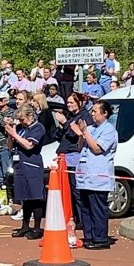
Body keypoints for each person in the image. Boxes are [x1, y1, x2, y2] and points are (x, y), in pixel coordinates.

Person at [71, 100, 118, 249]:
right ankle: (89, 236)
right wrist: (81, 135)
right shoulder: (90, 128)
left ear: (104, 113)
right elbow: (80, 147)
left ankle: (100, 238)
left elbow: (97, 148)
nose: (92, 114)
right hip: (85, 175)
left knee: (97, 208)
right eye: (91, 111)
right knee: (85, 207)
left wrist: (84, 132)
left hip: (98, 175)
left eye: (95, 111)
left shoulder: (109, 130)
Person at [5, 105, 47, 240]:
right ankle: (25, 226)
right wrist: (11, 134)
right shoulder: (22, 129)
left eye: (23, 119)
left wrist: (14, 134)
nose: (21, 122)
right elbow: (10, 146)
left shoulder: (38, 127)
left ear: (30, 116)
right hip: (19, 165)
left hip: (32, 165)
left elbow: (29, 145)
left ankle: (37, 227)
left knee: (35, 197)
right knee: (24, 197)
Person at [54, 93, 92, 226]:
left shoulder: (84, 116)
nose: (68, 105)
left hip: (75, 156)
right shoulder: (71, 116)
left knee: (77, 190)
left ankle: (82, 219)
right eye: (68, 103)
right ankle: (74, 216)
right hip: (65, 156)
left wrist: (65, 123)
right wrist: (62, 125)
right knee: (68, 190)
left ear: (79, 103)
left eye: (71, 103)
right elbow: (60, 134)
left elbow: (76, 134)